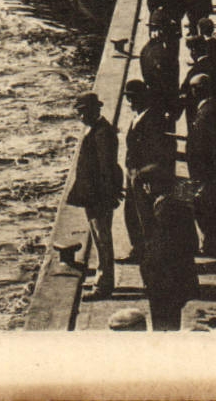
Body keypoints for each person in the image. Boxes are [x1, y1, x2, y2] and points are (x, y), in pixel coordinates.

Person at [67, 92, 121, 300]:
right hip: (95, 196)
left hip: (99, 197)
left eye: (82, 112)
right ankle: (102, 277)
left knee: (103, 240)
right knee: (100, 240)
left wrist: (107, 196)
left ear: (92, 111)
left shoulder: (101, 133)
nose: (80, 117)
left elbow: (107, 168)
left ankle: (104, 285)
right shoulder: (98, 130)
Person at [121, 80, 177, 262]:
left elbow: (156, 151)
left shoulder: (153, 119)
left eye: (130, 98)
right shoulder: (139, 116)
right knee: (132, 211)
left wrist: (144, 174)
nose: (129, 103)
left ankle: (148, 253)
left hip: (144, 175)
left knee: (145, 215)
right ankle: (138, 248)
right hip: (133, 172)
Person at [138, 170, 199, 331]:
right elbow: (193, 243)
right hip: (180, 278)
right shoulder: (180, 205)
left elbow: (157, 250)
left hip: (163, 281)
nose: (145, 189)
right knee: (174, 322)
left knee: (162, 325)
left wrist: (147, 275)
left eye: (147, 184)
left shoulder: (162, 211)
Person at [182, 74, 216, 256]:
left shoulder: (208, 111)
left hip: (203, 171)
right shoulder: (209, 108)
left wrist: (202, 175)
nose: (191, 92)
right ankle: (208, 242)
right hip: (202, 171)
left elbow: (206, 145)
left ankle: (209, 244)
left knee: (204, 206)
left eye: (193, 88)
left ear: (199, 90)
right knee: (203, 206)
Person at [136, 10, 182, 110]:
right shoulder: (152, 51)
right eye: (154, 29)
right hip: (161, 100)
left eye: (160, 28)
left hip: (166, 99)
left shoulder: (166, 46)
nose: (157, 33)